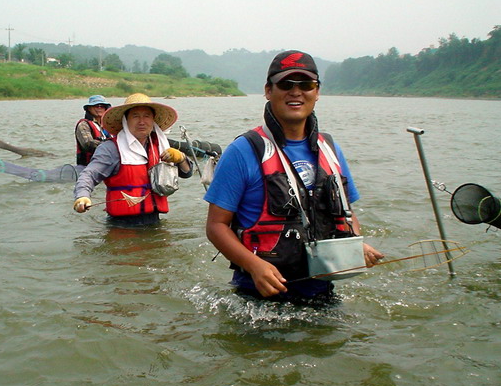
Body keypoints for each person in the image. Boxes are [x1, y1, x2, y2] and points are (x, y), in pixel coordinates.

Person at [204, 50, 384, 302]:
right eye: (286, 84)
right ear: (268, 91)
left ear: (317, 92)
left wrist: (353, 245)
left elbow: (347, 212)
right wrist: (255, 266)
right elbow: (216, 225)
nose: (296, 92)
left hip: (322, 291)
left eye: (306, 84)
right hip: (256, 295)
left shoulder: (330, 149)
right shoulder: (242, 151)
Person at [73, 93, 193, 225]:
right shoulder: (111, 148)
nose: (142, 121)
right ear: (125, 120)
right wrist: (82, 196)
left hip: (154, 221)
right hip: (121, 225)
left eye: (146, 116)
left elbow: (187, 173)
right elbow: (89, 174)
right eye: (135, 116)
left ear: (153, 120)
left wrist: (181, 158)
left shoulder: (159, 145)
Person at [75, 95, 112, 165]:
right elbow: (87, 143)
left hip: (107, 164)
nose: (99, 108)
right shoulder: (83, 125)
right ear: (89, 108)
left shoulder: (108, 125)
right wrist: (111, 146)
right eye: (96, 106)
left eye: (102, 106)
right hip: (88, 167)